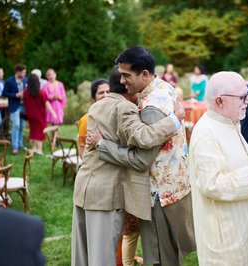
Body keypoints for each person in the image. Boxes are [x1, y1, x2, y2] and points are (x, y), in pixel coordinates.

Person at [71, 65, 182, 266]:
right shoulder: (125, 107)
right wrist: (174, 120)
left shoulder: (96, 106)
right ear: (126, 86)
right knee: (101, 259)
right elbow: (144, 137)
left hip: (83, 188)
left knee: (82, 257)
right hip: (105, 195)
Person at [96, 46, 196, 266]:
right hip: (174, 189)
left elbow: (142, 159)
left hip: (159, 197)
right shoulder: (163, 86)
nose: (121, 81)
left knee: (160, 259)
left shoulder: (151, 107)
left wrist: (103, 146)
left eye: (126, 75)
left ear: (144, 74)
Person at [188, 71, 248, 266]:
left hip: (243, 228)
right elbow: (212, 184)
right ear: (219, 101)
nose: (247, 101)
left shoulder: (229, 123)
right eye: (242, 97)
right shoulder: (206, 133)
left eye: (247, 95)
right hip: (228, 238)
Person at [23, 74, 56, 155]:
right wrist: (53, 113)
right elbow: (47, 104)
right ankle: (39, 150)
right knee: (40, 132)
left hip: (30, 115)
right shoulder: (41, 92)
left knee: (33, 131)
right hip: (40, 115)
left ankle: (33, 148)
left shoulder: (25, 92)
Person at [77, 78, 109, 158]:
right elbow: (82, 151)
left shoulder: (116, 115)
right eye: (101, 93)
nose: (105, 95)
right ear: (93, 97)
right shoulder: (86, 119)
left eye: (108, 92)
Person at [2, 63, 27, 154]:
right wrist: (15, 95)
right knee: (16, 125)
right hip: (14, 106)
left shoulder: (25, 80)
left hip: (24, 106)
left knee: (22, 126)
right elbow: (4, 93)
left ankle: (20, 144)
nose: (24, 74)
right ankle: (15, 147)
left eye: (25, 72)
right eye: (23, 72)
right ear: (17, 72)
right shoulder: (9, 81)